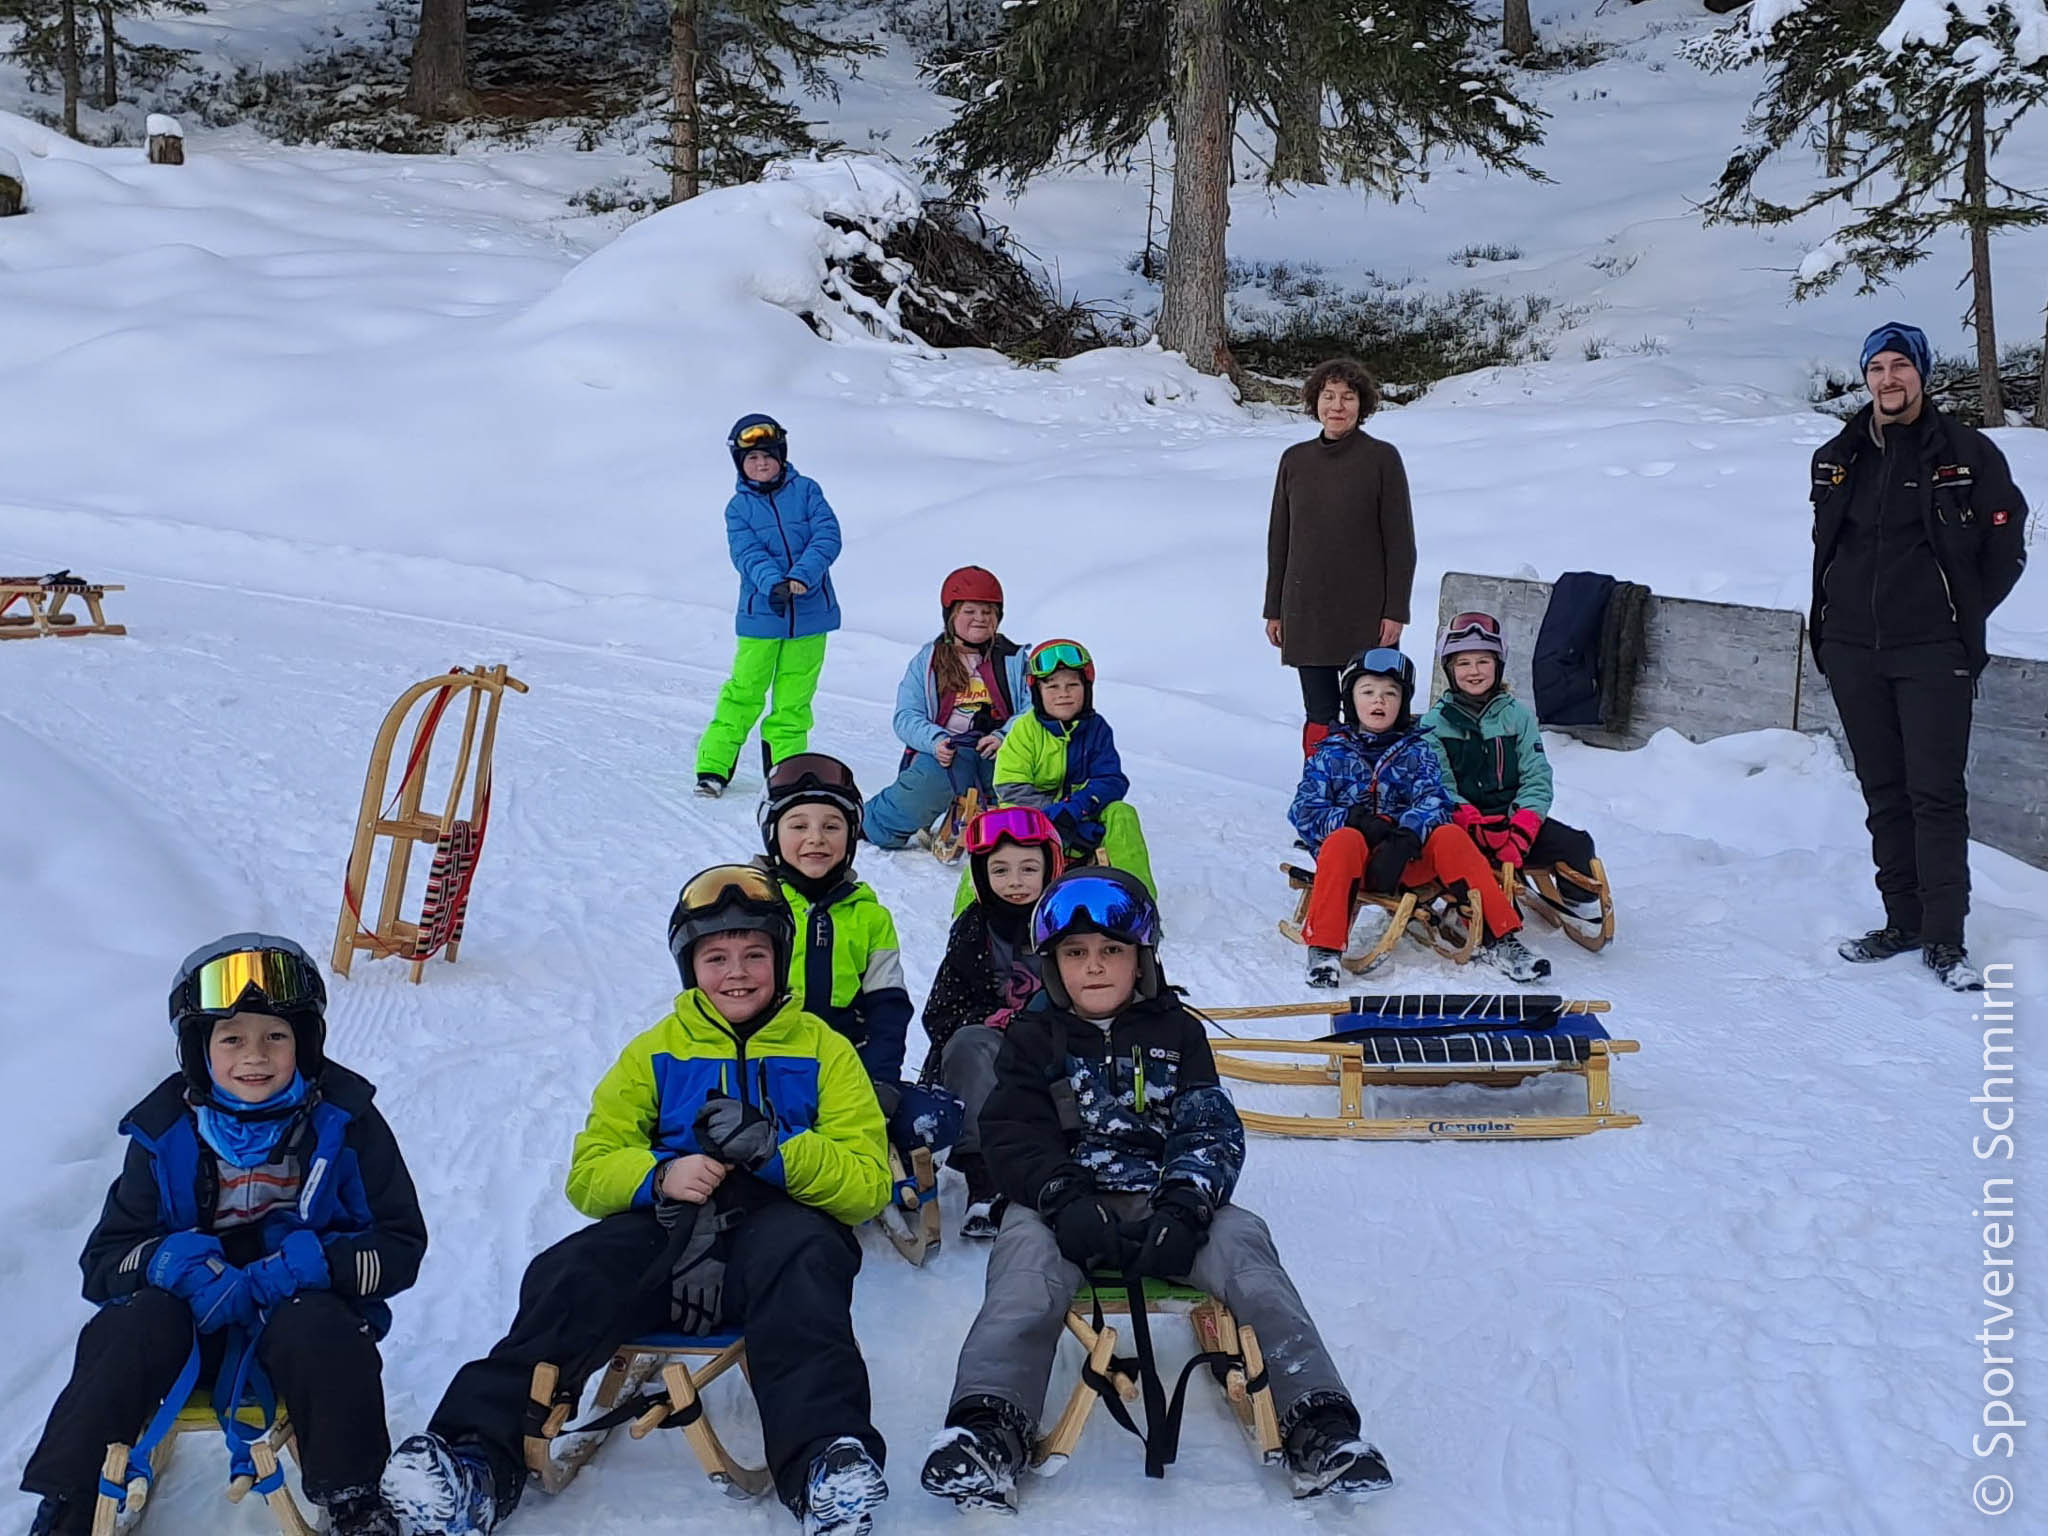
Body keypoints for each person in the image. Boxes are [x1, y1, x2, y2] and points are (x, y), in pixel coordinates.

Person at [380, 866, 891, 1536]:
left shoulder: (825, 1051)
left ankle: (825, 1463)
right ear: (690, 966)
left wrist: (776, 1150)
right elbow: (590, 1170)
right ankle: (474, 1459)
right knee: (574, 1271)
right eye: (716, 958)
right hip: (669, 1234)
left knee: (808, 1269)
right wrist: (661, 1174)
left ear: (780, 958)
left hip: (778, 1238)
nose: (737, 973)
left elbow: (866, 1183)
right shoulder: (656, 1052)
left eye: (754, 955)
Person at [918, 869, 1394, 1510]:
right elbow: (1014, 1132)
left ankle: (1319, 1419)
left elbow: (1208, 1126)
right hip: (1064, 1204)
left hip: (1166, 1197)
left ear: (1141, 959)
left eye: (1110, 951)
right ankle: (988, 1423)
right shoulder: (1032, 1037)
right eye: (1075, 953)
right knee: (1023, 1274)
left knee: (1247, 1249)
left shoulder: (1178, 1033)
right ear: (1053, 965)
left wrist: (1186, 1205)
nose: (1093, 967)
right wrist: (1062, 1198)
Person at [23, 934, 427, 1536]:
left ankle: (354, 1499)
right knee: (127, 1327)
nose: (254, 1056)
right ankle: (70, 1501)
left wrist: (313, 1265)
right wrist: (166, 1265)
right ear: (199, 1049)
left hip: (297, 1325)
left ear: (305, 1043)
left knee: (322, 1327)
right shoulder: (163, 1133)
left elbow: (399, 1243)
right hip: (188, 1329)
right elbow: (104, 1263)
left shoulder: (347, 1124)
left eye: (276, 1036)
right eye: (231, 1038)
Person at [1809, 322, 2030, 992]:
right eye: (1877, 367)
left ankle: (1944, 938)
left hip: (1933, 653)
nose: (1888, 379)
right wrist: (1829, 628)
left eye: (1900, 366)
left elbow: (2006, 548)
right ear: (1866, 378)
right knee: (1884, 793)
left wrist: (1959, 616)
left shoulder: (1966, 453)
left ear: (1922, 375)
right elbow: (1831, 548)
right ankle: (1901, 922)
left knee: (1935, 794)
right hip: (1853, 650)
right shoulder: (1838, 456)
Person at [1291, 649, 1550, 986]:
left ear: (1402, 703)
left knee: (1450, 835)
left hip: (1408, 859)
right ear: (1351, 700)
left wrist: (1409, 834)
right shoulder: (1330, 754)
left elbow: (1435, 799)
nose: (1379, 701)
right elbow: (1304, 810)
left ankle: (1501, 938)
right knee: (1343, 840)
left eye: (1390, 693)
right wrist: (1355, 821)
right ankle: (1324, 949)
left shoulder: (1416, 750)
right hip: (1353, 867)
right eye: (1368, 692)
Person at [756, 753, 940, 1152]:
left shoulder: (869, 917)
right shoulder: (754, 906)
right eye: (798, 825)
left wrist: (880, 1080)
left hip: (845, 1069)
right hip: (765, 1067)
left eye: (832, 826)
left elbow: (888, 1008)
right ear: (773, 833)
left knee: (935, 1119)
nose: (816, 838)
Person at [916, 806, 1065, 1239]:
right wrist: (988, 1019)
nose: (1015, 881)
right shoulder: (973, 930)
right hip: (992, 1059)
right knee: (969, 1043)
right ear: (982, 876)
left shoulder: (1067, 924)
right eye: (1000, 870)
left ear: (1050, 869)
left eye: (1028, 869)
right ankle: (987, 1181)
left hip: (1057, 1049)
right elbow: (941, 1012)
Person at [1264, 357, 1418, 757]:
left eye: (1347, 397)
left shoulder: (1381, 458)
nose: (1337, 406)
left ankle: (1372, 785)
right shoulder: (1295, 460)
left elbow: (1400, 543)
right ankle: (1321, 783)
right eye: (1328, 396)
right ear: (1314, 402)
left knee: (1370, 709)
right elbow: (1279, 540)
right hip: (1307, 610)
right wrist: (1274, 609)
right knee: (1319, 712)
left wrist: (1395, 611)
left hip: (1366, 614)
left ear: (1361, 404)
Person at [1420, 611, 1604, 922]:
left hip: (1513, 821)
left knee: (1578, 846)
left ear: (1498, 665)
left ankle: (1573, 899)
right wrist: (1473, 823)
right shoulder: (1434, 724)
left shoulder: (1517, 716)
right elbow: (1441, 787)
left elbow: (1537, 776)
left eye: (1483, 661)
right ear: (1450, 670)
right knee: (1467, 866)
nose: (1474, 671)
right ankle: (1476, 902)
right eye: (1463, 663)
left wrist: (1522, 828)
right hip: (1466, 828)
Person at [695, 414, 843, 799]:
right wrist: (773, 582)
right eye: (752, 459)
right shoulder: (738, 508)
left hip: (811, 616)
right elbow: (745, 552)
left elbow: (828, 535)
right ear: (740, 464)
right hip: (762, 616)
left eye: (768, 456)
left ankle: (786, 772)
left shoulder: (807, 491)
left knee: (795, 700)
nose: (761, 464)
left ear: (781, 456)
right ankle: (713, 765)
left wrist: (802, 576)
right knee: (745, 690)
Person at [865, 566, 1031, 849]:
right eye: (970, 611)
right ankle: (869, 824)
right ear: (952, 615)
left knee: (1020, 794)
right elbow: (906, 716)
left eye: (988, 612)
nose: (980, 618)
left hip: (998, 751)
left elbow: (1033, 706)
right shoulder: (928, 661)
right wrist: (935, 741)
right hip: (947, 753)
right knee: (927, 786)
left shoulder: (1013, 659)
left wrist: (1005, 736)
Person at [992, 639, 1156, 895]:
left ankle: (1137, 900)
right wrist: (1055, 817)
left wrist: (1077, 809)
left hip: (1082, 817)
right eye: (1052, 686)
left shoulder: (1097, 729)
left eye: (1072, 685)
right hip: (1032, 821)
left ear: (1086, 688)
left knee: (1121, 813)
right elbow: (1010, 788)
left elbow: (1111, 779)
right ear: (1037, 692)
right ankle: (973, 911)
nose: (1063, 693)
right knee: (992, 837)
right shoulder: (1024, 730)